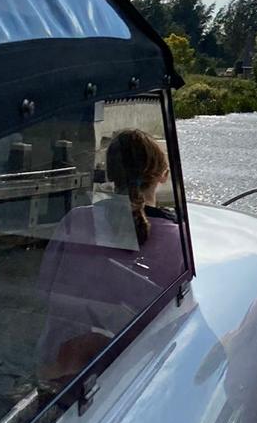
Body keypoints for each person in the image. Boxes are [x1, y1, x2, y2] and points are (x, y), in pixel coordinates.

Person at [37, 128, 183, 384]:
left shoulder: (76, 221)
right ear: (163, 176)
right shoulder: (178, 240)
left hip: (62, 367)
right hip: (127, 376)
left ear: (109, 174)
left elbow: (45, 291)